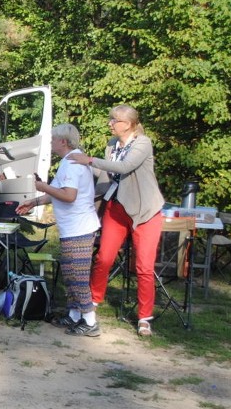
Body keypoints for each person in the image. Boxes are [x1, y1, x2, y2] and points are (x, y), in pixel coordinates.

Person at [68, 105, 165, 337]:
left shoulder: (143, 142)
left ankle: (144, 318)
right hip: (117, 207)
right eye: (111, 119)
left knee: (144, 266)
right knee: (104, 258)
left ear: (129, 123)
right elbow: (107, 175)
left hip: (145, 211)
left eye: (115, 120)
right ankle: (91, 305)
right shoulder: (112, 144)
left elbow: (125, 167)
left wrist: (89, 160)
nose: (111, 123)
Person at [16, 124, 100, 335]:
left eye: (53, 139)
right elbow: (57, 192)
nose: (51, 142)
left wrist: (43, 187)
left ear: (63, 141)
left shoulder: (73, 163)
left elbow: (69, 196)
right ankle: (74, 315)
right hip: (72, 227)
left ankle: (90, 322)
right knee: (70, 273)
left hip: (80, 227)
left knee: (78, 275)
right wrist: (34, 202)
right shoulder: (68, 161)